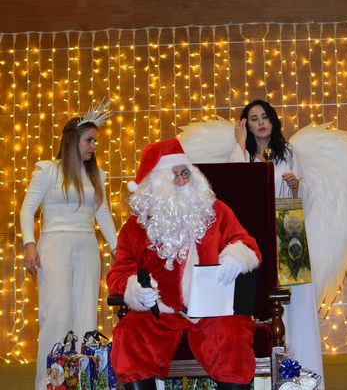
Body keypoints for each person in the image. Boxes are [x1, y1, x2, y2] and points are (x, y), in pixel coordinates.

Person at [107, 138, 261, 390]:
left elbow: (245, 242)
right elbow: (119, 272)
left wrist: (236, 256)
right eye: (174, 176)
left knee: (231, 337)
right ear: (156, 184)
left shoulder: (216, 211)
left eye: (185, 173)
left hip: (212, 312)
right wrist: (134, 289)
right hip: (160, 314)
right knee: (129, 335)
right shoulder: (136, 226)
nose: (181, 181)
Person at [20, 107, 118, 390]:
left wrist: (119, 250)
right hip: (54, 246)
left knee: (86, 315)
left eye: (95, 140)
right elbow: (27, 209)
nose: (93, 146)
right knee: (58, 314)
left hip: (87, 247)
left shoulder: (96, 175)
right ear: (73, 140)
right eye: (89, 140)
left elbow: (103, 215)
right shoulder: (48, 171)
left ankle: (81, 382)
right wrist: (29, 243)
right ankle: (48, 383)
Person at [230, 100, 325, 388]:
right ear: (246, 125)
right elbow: (234, 186)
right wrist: (239, 143)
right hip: (255, 237)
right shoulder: (243, 156)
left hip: (288, 234)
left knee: (296, 304)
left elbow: (306, 196)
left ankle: (301, 375)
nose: (261, 122)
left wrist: (296, 186)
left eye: (265, 117)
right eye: (254, 118)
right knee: (259, 304)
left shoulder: (289, 154)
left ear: (273, 121)